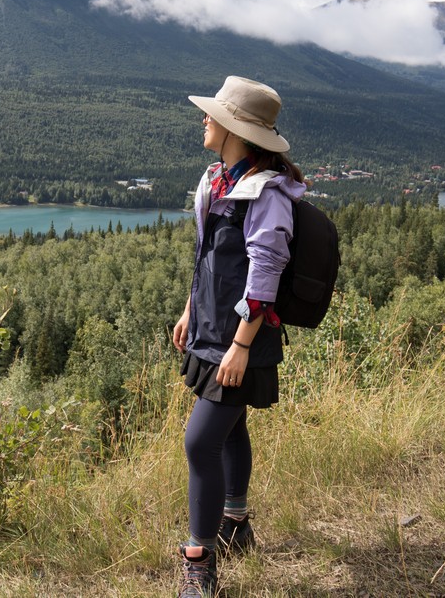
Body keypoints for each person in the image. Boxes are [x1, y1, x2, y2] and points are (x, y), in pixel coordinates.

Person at [171, 76, 307, 598]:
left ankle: (200, 563)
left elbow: (265, 271)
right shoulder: (220, 180)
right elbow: (208, 257)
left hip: (238, 340)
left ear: (234, 128)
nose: (203, 120)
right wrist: (189, 310)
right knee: (229, 430)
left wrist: (242, 346)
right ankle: (236, 524)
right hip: (211, 329)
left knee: (199, 440)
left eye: (211, 114)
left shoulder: (265, 192)